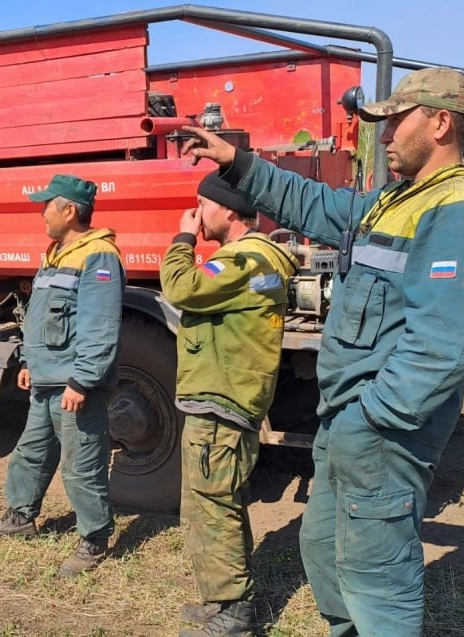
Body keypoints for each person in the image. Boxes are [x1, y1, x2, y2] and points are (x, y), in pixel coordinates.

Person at [181, 67, 464, 636]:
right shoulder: (396, 200)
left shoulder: (459, 206)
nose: (382, 138)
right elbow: (315, 204)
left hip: (382, 425)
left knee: (375, 569)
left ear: (439, 123)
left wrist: (374, 419)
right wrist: (238, 164)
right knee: (326, 544)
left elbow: (446, 338)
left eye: (394, 122)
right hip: (347, 419)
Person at [160, 171, 298, 637]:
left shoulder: (244, 261)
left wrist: (182, 236)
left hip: (221, 403)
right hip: (223, 397)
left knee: (214, 504)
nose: (199, 214)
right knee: (210, 503)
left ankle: (234, 612)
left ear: (229, 212)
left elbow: (182, 288)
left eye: (203, 206)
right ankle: (220, 598)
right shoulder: (254, 260)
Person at [0, 174, 125, 578]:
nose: (42, 212)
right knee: (31, 452)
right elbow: (43, 315)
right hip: (45, 378)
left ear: (70, 210)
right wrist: (28, 362)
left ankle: (94, 538)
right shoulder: (57, 251)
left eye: (47, 205)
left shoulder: (98, 255)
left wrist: (83, 381)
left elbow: (101, 326)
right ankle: (20, 516)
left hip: (72, 384)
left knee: (82, 464)